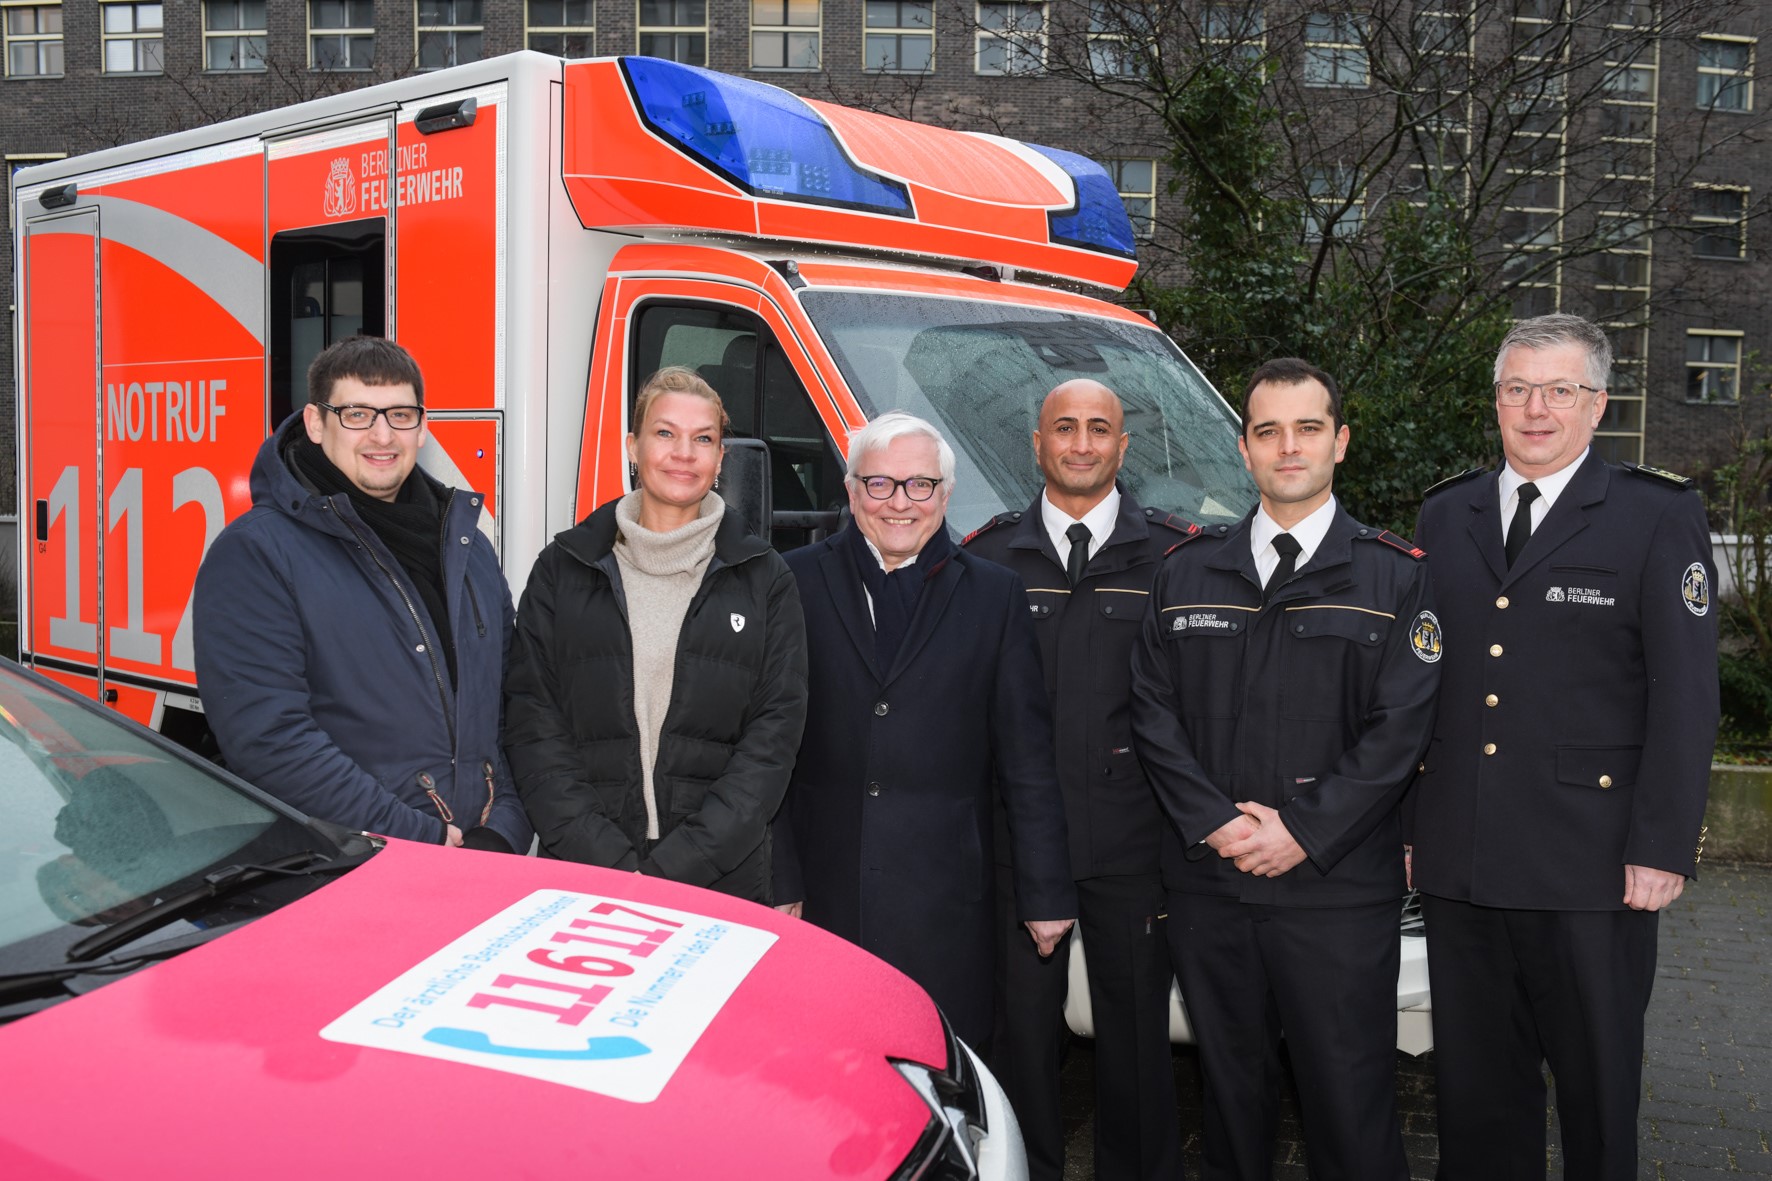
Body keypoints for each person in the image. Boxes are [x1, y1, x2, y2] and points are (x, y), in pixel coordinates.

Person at [1409, 314, 1718, 1180]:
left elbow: (1687, 698)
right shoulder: (1446, 510)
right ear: (1496, 401)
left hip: (1594, 867)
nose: (1535, 409)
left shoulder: (1657, 516)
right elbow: (1417, 687)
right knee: (1474, 1091)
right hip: (1462, 858)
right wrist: (1408, 828)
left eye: (1560, 390)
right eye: (1517, 388)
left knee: (1595, 1089)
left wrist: (1663, 846)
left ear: (1598, 405)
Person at [1130, 358, 1440, 1181]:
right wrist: (1219, 823)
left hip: (1335, 893)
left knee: (1351, 1104)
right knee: (1231, 1101)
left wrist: (1301, 830)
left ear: (1340, 442)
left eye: (1307, 428)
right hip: (1212, 885)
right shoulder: (1187, 570)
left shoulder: (1395, 576)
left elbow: (1400, 731)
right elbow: (1153, 713)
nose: (1287, 447)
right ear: (1244, 449)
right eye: (1268, 431)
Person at [773, 411, 1075, 1046]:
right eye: (880, 484)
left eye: (920, 485)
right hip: (825, 894)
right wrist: (780, 878)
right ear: (852, 491)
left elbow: (1026, 758)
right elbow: (768, 747)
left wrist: (1045, 892)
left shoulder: (995, 595)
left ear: (945, 494)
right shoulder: (792, 582)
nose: (900, 503)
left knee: (935, 1070)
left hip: (948, 900)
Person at [962, 379, 1184, 1181]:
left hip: (1134, 846)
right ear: (1036, 442)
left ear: (1124, 446)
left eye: (1099, 428)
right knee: (1021, 1046)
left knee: (1135, 1048)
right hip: (1018, 848)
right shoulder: (983, 558)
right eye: (1065, 427)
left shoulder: (1174, 556)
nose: (1082, 442)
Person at [194, 335, 532, 854]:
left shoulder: (468, 547)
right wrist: (419, 837)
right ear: (314, 423)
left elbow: (510, 705)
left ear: (422, 428)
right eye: (356, 414)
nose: (382, 434)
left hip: (476, 859)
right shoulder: (256, 553)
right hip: (345, 867)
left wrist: (502, 828)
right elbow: (270, 741)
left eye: (400, 415)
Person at [502, 367, 807, 901]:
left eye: (703, 439)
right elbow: (532, 723)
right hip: (584, 873)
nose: (683, 453)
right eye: (665, 433)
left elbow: (772, 742)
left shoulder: (766, 578)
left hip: (720, 878)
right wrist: (612, 865)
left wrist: (675, 870)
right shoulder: (563, 568)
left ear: (719, 460)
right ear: (632, 447)